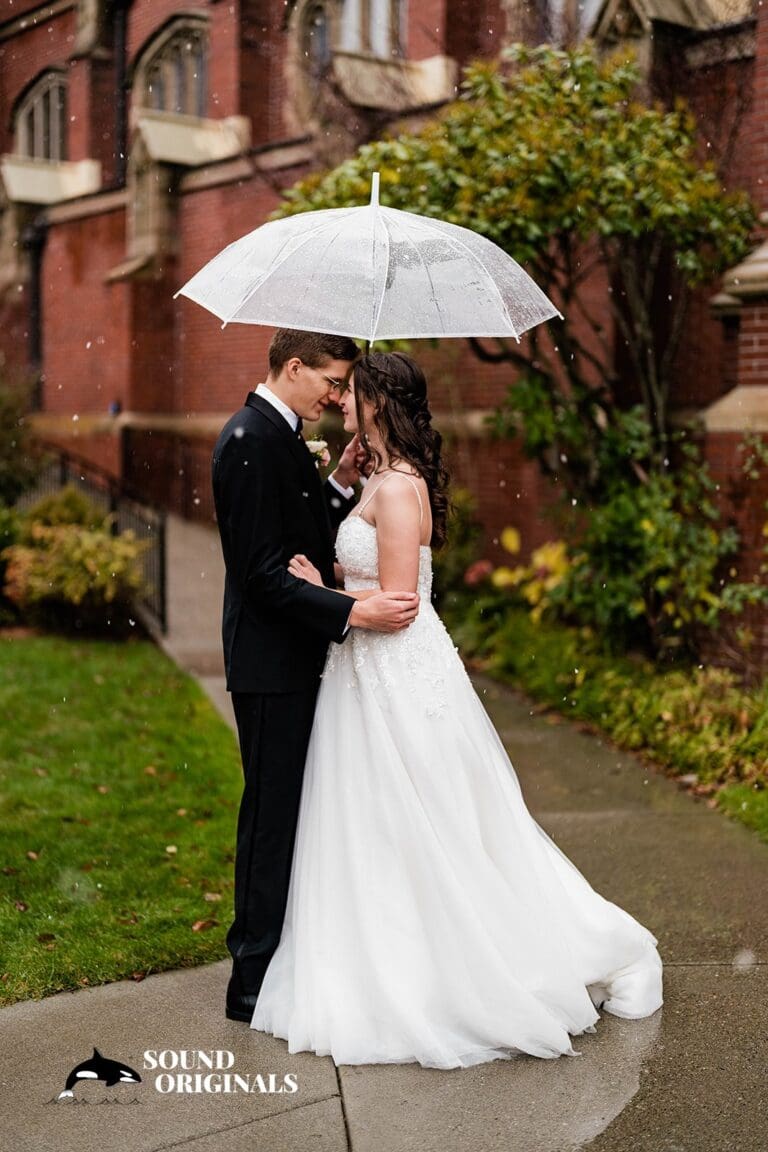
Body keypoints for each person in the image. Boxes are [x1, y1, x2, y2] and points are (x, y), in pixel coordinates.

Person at [249, 350, 663, 1068]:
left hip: (398, 675)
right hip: (364, 675)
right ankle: (386, 953)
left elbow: (400, 605)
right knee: (378, 824)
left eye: (354, 393)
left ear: (380, 402)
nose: (343, 401)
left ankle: (523, 958)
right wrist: (340, 520)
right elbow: (373, 567)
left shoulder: (402, 487)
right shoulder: (379, 478)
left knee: (433, 824)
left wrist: (325, 587)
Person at [212, 330, 420, 1024]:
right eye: (332, 381)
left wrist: (336, 485)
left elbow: (305, 535)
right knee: (271, 819)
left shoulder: (282, 434)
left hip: (300, 657)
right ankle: (252, 978)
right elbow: (263, 576)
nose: (338, 397)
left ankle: (286, 954)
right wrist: (352, 610)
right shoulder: (249, 440)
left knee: (296, 813)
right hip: (270, 663)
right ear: (293, 367)